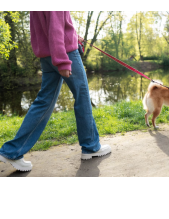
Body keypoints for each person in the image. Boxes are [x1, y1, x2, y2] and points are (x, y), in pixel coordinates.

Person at [0, 11, 111, 171]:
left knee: (44, 102)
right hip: (65, 53)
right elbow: (56, 28)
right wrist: (62, 61)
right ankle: (91, 147)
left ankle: (12, 151)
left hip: (47, 55)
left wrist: (72, 35)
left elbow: (50, 25)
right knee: (83, 98)